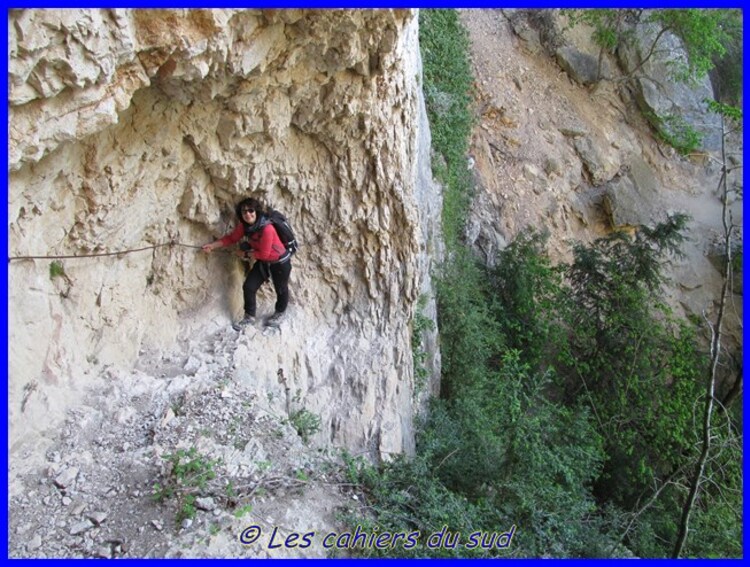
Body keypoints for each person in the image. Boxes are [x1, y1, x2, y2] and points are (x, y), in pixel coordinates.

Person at [202, 197, 292, 329]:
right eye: (244, 212)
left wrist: (244, 254)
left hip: (279, 262)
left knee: (281, 288)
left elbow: (264, 254)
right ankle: (249, 317)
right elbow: (231, 238)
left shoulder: (267, 229)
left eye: (251, 210)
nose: (248, 214)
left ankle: (280, 312)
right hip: (264, 263)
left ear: (257, 212)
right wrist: (212, 246)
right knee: (249, 286)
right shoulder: (244, 227)